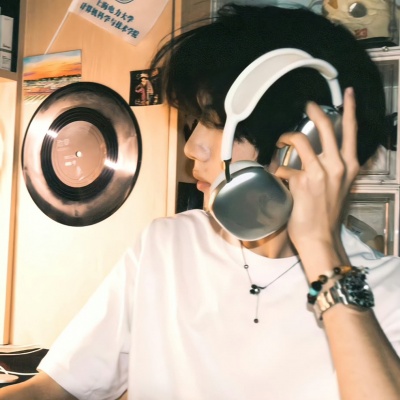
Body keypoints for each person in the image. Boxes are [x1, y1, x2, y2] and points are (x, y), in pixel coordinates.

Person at [1, 3, 400, 399]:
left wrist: (323, 255)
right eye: (196, 123)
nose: (192, 148)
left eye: (217, 124)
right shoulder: (167, 245)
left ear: (307, 144)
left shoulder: (389, 290)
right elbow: (55, 390)